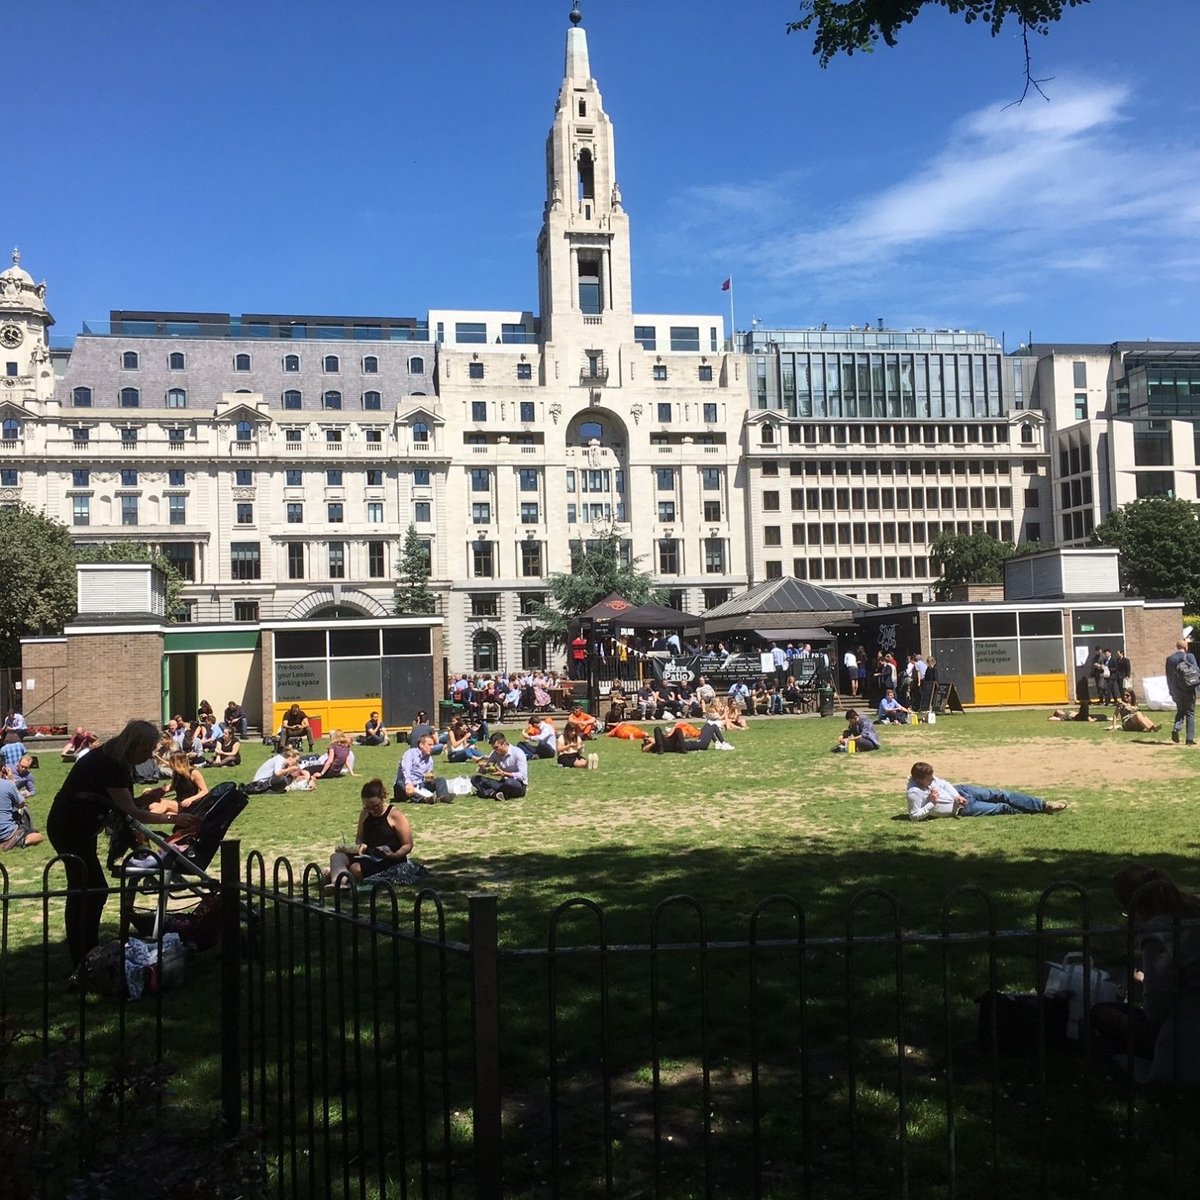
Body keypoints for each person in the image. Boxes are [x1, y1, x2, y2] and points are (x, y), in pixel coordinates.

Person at [46, 719, 202, 966]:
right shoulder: (110, 765)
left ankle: (86, 950)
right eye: (148, 749)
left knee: (87, 889)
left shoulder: (115, 759)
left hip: (79, 827)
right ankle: (83, 953)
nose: (150, 755)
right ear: (134, 745)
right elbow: (133, 813)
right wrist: (175, 818)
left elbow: (124, 805)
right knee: (88, 889)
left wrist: (145, 798)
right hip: (69, 828)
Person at [1090, 866, 1200, 1086]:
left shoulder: (1158, 933)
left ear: (1135, 907)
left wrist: (1143, 982)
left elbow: (1156, 1011)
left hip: (1187, 1034)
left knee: (1100, 1015)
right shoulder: (1192, 910)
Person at [327, 777, 421, 890]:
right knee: (337, 857)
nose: (372, 810)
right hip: (368, 855)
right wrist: (360, 845)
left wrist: (394, 855)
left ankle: (344, 878)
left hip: (389, 858)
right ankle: (337, 883)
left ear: (383, 798)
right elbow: (360, 836)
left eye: (375, 806)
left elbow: (408, 844)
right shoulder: (365, 814)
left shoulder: (395, 815)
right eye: (368, 807)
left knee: (355, 868)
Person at [905, 761, 1067, 820]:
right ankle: (1037, 811)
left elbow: (945, 783)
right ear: (919, 780)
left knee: (1002, 794)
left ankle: (1044, 805)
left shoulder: (928, 777)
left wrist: (956, 795)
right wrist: (931, 804)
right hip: (962, 809)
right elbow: (914, 817)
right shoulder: (914, 793)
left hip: (961, 792)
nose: (932, 780)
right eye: (929, 779)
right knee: (1001, 807)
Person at [471, 732, 529, 800]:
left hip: (518, 784)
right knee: (475, 779)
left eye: (496, 747)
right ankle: (495, 794)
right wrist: (482, 768)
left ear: (504, 744)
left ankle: (489, 792)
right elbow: (485, 770)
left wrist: (503, 773)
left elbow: (523, 776)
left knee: (509, 782)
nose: (495, 750)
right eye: (493, 748)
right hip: (502, 783)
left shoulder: (518, 753)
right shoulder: (495, 753)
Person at [395, 733, 450, 804]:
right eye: (429, 745)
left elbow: (427, 777)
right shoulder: (410, 753)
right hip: (405, 785)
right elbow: (406, 770)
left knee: (440, 780)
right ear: (421, 745)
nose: (432, 747)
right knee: (400, 783)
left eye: (432, 745)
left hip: (420, 785)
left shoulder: (429, 759)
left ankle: (443, 797)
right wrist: (409, 783)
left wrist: (430, 779)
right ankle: (424, 799)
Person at [1165, 637, 1198, 746]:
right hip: (1189, 689)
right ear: (1186, 647)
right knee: (1190, 713)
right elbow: (1196, 671)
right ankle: (1189, 739)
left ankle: (1176, 729)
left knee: (1180, 711)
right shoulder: (1190, 656)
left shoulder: (1169, 659)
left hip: (1176, 690)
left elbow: (1168, 677)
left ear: (1177, 647)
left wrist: (1171, 690)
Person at [0, 769, 43, 851]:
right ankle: (21, 841)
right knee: (38, 836)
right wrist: (11, 781)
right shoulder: (8, 785)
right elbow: (21, 804)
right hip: (5, 833)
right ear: (3, 769)